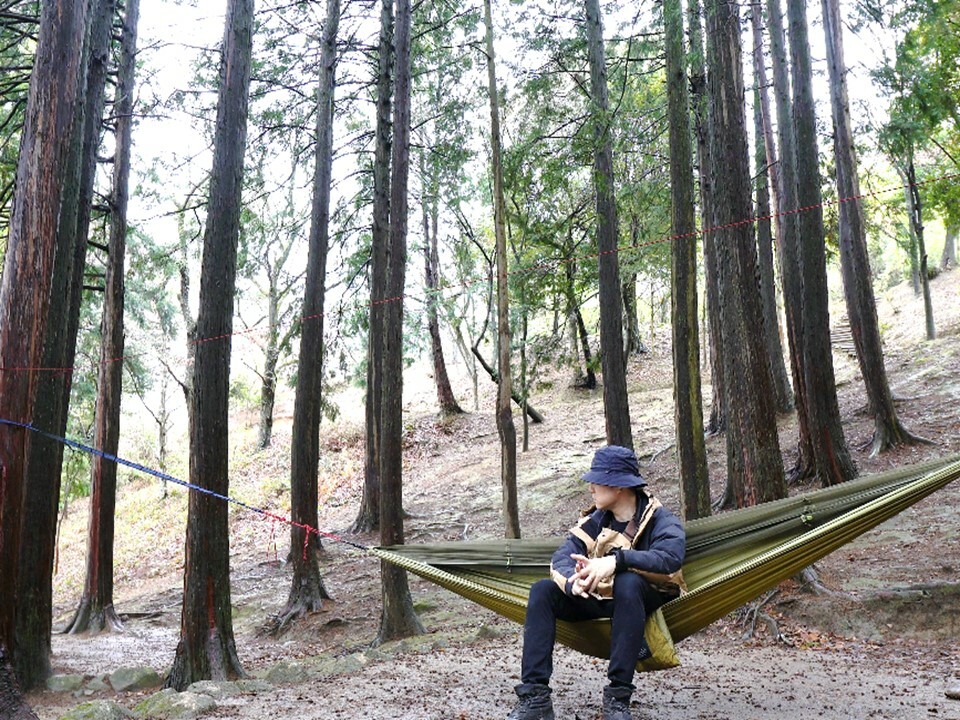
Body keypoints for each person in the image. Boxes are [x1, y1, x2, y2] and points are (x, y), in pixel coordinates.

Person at [506, 445, 686, 720]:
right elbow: (560, 558)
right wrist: (572, 585)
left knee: (627, 581)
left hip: (641, 599)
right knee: (542, 590)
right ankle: (535, 698)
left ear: (618, 487)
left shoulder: (660, 519)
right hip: (601, 599)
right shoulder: (595, 521)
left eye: (597, 480)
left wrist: (616, 561)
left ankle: (617, 699)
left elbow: (669, 558)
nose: (590, 487)